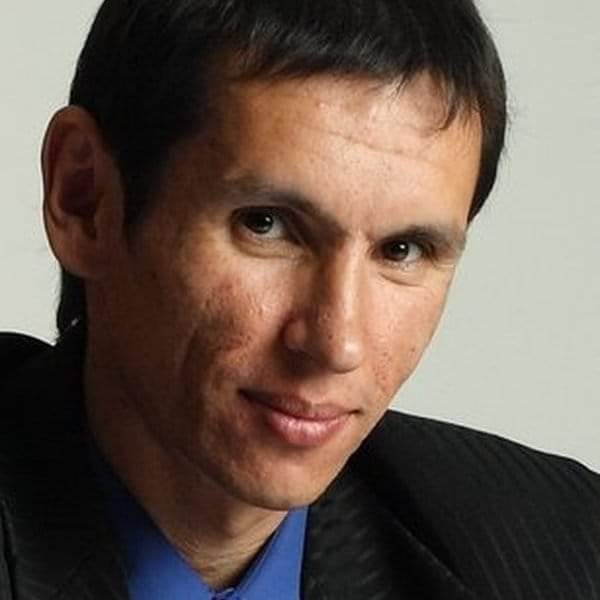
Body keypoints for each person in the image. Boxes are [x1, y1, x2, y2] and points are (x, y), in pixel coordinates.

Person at [1, 0, 599, 598]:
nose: (337, 344)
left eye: (403, 250)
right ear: (84, 201)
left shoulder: (566, 547)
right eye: (265, 225)